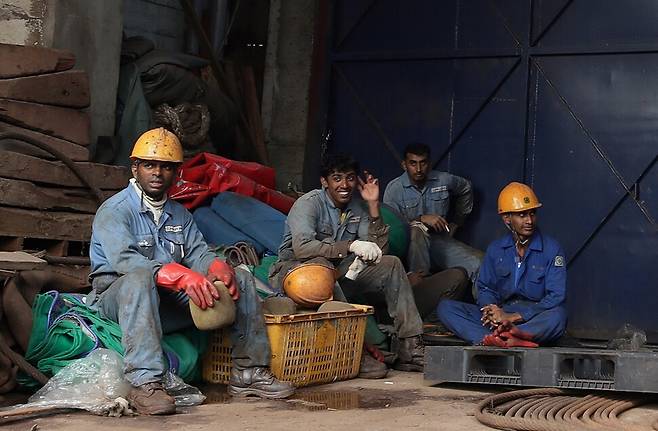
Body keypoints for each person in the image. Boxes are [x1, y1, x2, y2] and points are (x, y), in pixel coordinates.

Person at [87, 128, 293, 415]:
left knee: (242, 277)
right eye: (149, 165)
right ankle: (144, 383)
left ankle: (249, 373)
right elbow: (126, 262)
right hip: (119, 300)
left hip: (165, 302)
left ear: (176, 172)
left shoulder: (180, 213)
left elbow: (198, 253)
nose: (157, 173)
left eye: (166, 167)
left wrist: (214, 265)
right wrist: (178, 274)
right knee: (138, 279)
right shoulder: (115, 211)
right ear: (135, 168)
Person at [269, 154, 425, 377]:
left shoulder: (357, 207)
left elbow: (378, 253)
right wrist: (349, 245)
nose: (344, 185)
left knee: (391, 264)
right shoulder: (308, 203)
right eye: (337, 178)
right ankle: (353, 351)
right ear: (324, 181)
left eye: (350, 178)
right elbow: (303, 249)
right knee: (321, 268)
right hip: (297, 272)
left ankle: (410, 349)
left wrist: (372, 207)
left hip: (340, 272)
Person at [436, 182, 567, 347]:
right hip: (501, 314)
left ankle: (514, 335)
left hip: (533, 316)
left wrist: (514, 317)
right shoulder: (496, 249)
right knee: (446, 308)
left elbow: (556, 296)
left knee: (558, 316)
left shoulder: (552, 249)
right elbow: (485, 287)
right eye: (522, 215)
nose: (529, 220)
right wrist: (492, 310)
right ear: (507, 218)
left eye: (532, 213)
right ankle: (499, 339)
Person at [383, 143, 483, 289]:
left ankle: (486, 309)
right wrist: (421, 219)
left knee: (479, 264)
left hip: (438, 242)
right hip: (408, 247)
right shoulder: (394, 189)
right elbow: (391, 230)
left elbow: (466, 188)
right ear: (404, 165)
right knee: (417, 230)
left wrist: (457, 222)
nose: (418, 169)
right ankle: (422, 288)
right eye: (413, 163)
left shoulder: (443, 180)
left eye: (422, 163)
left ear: (429, 164)